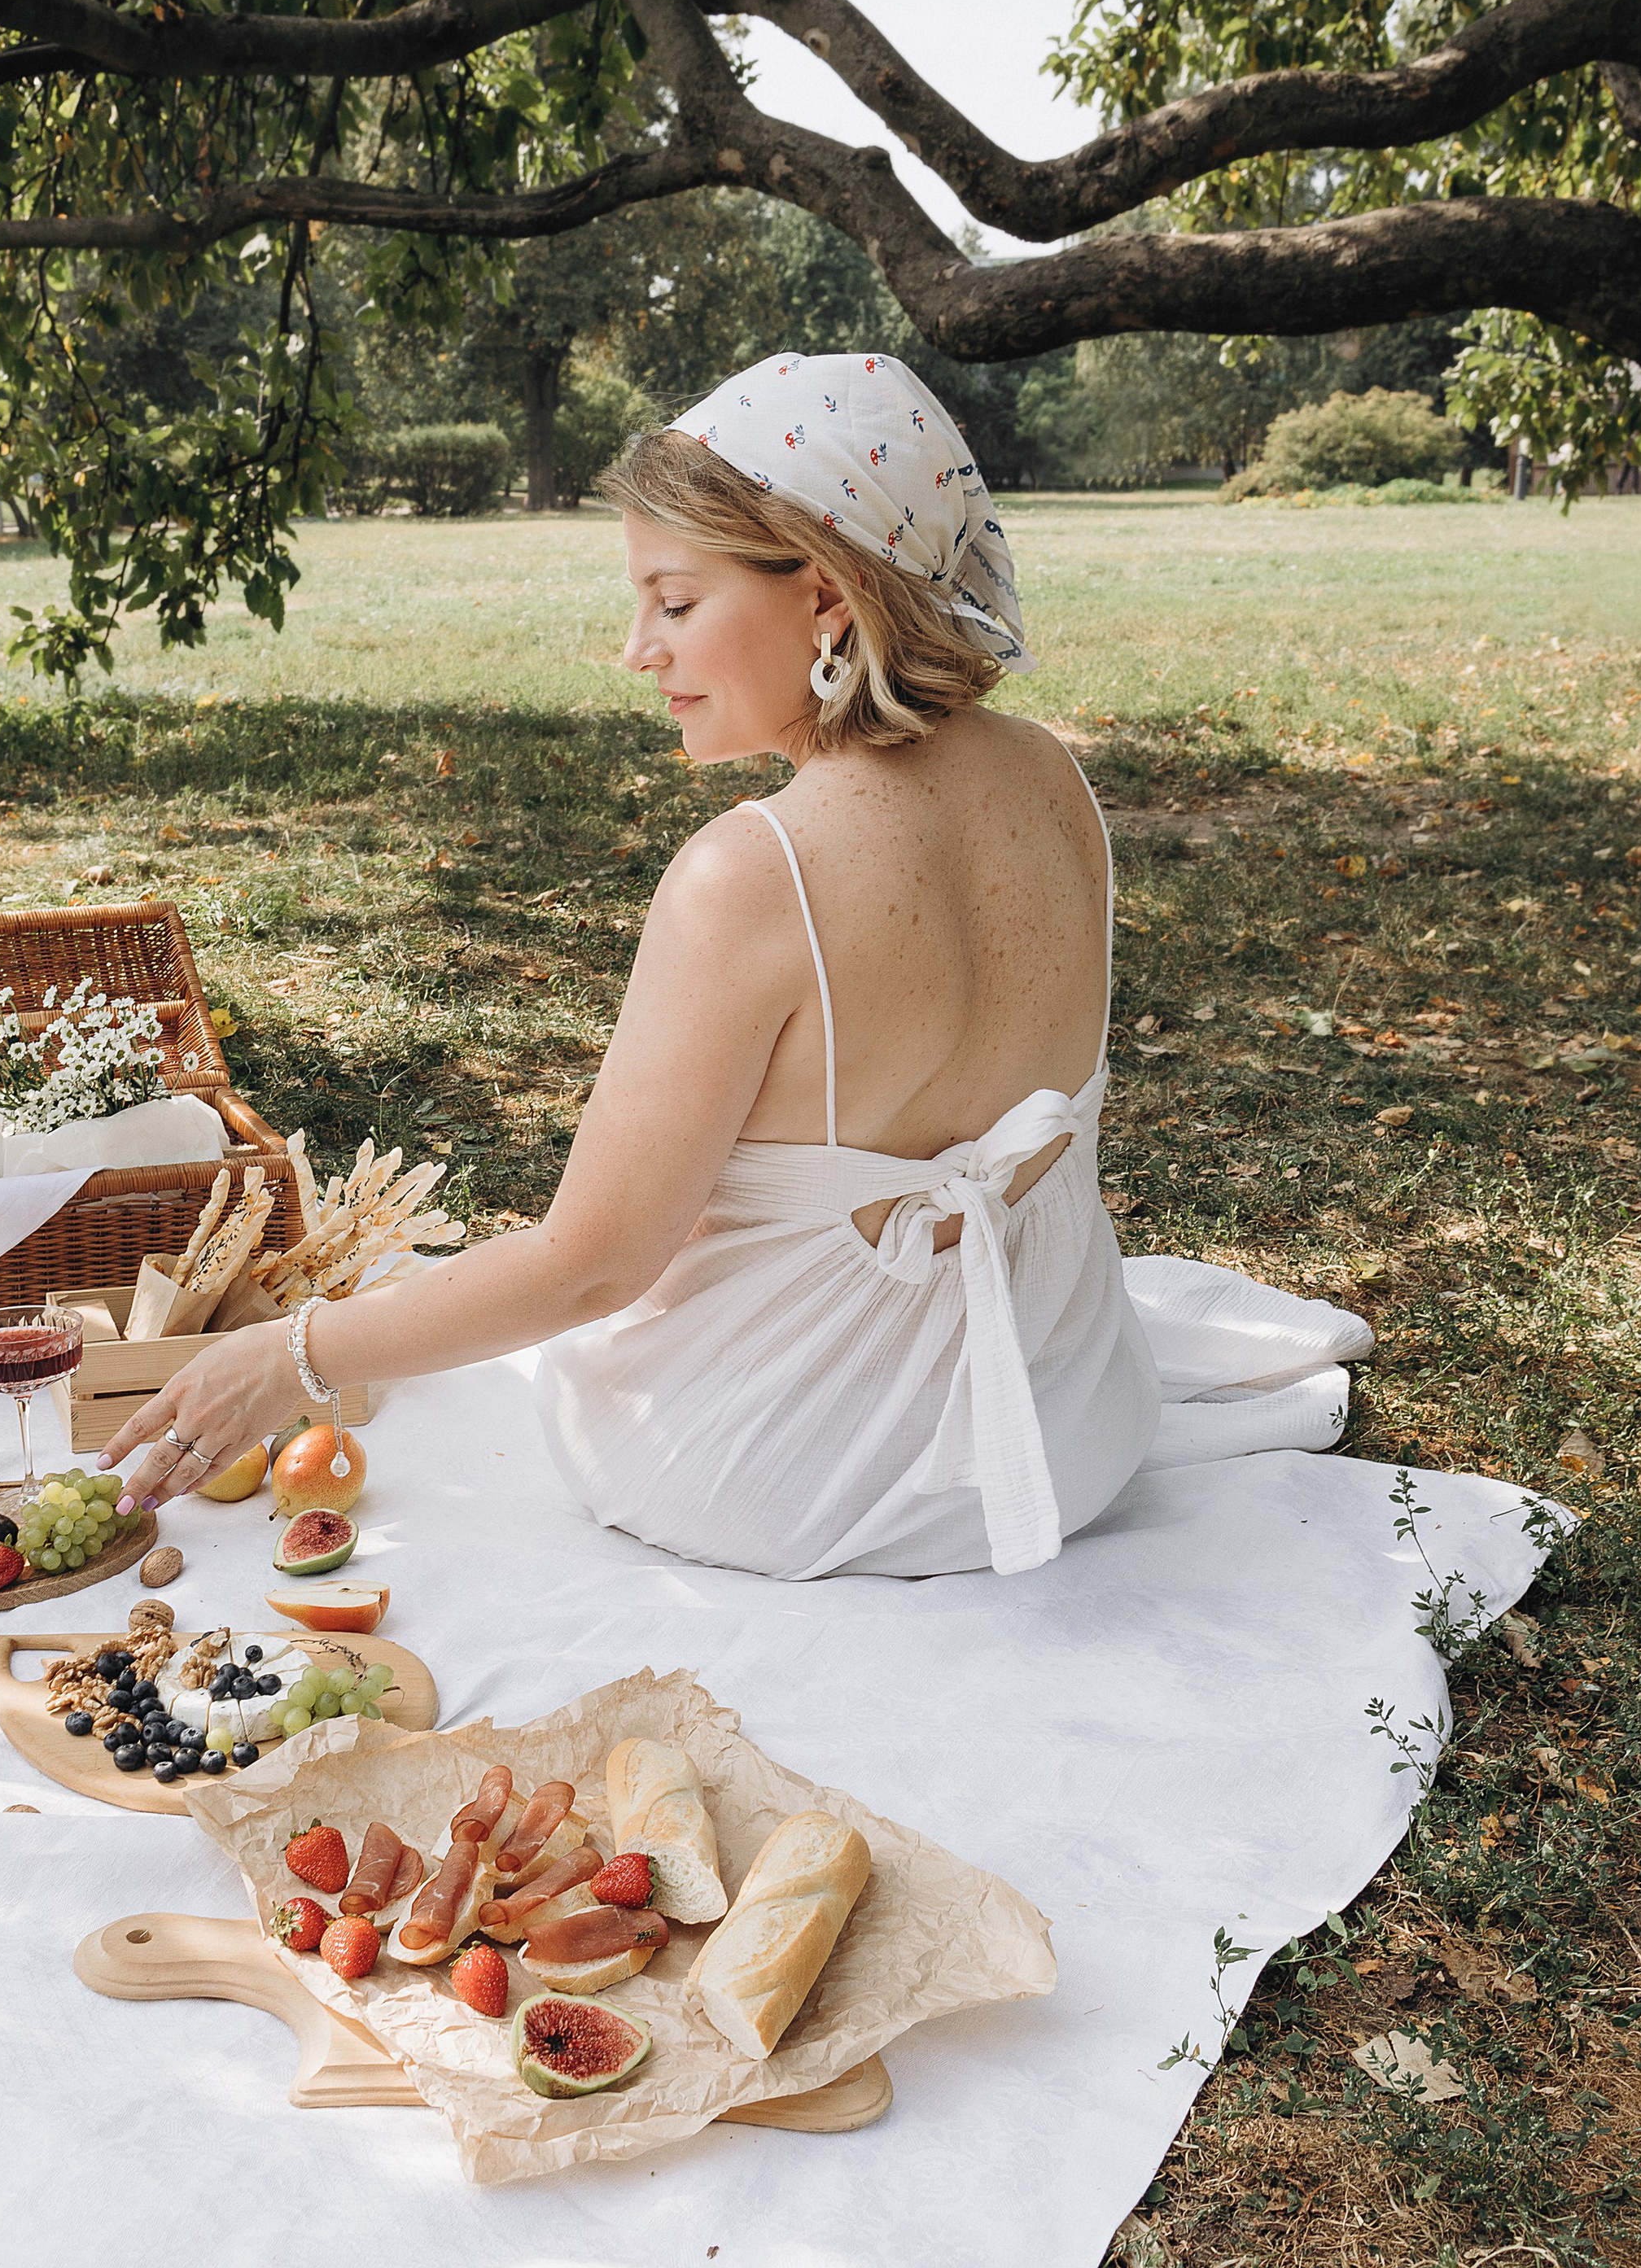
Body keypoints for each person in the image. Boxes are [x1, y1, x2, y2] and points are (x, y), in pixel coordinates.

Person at [103, 348, 1160, 1577]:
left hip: (797, 1476)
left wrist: (291, 1355)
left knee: (531, 1361)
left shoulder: (754, 872)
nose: (634, 649)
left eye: (674, 600)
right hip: (1064, 1418)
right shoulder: (1055, 779)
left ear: (824, 598)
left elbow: (592, 1266)